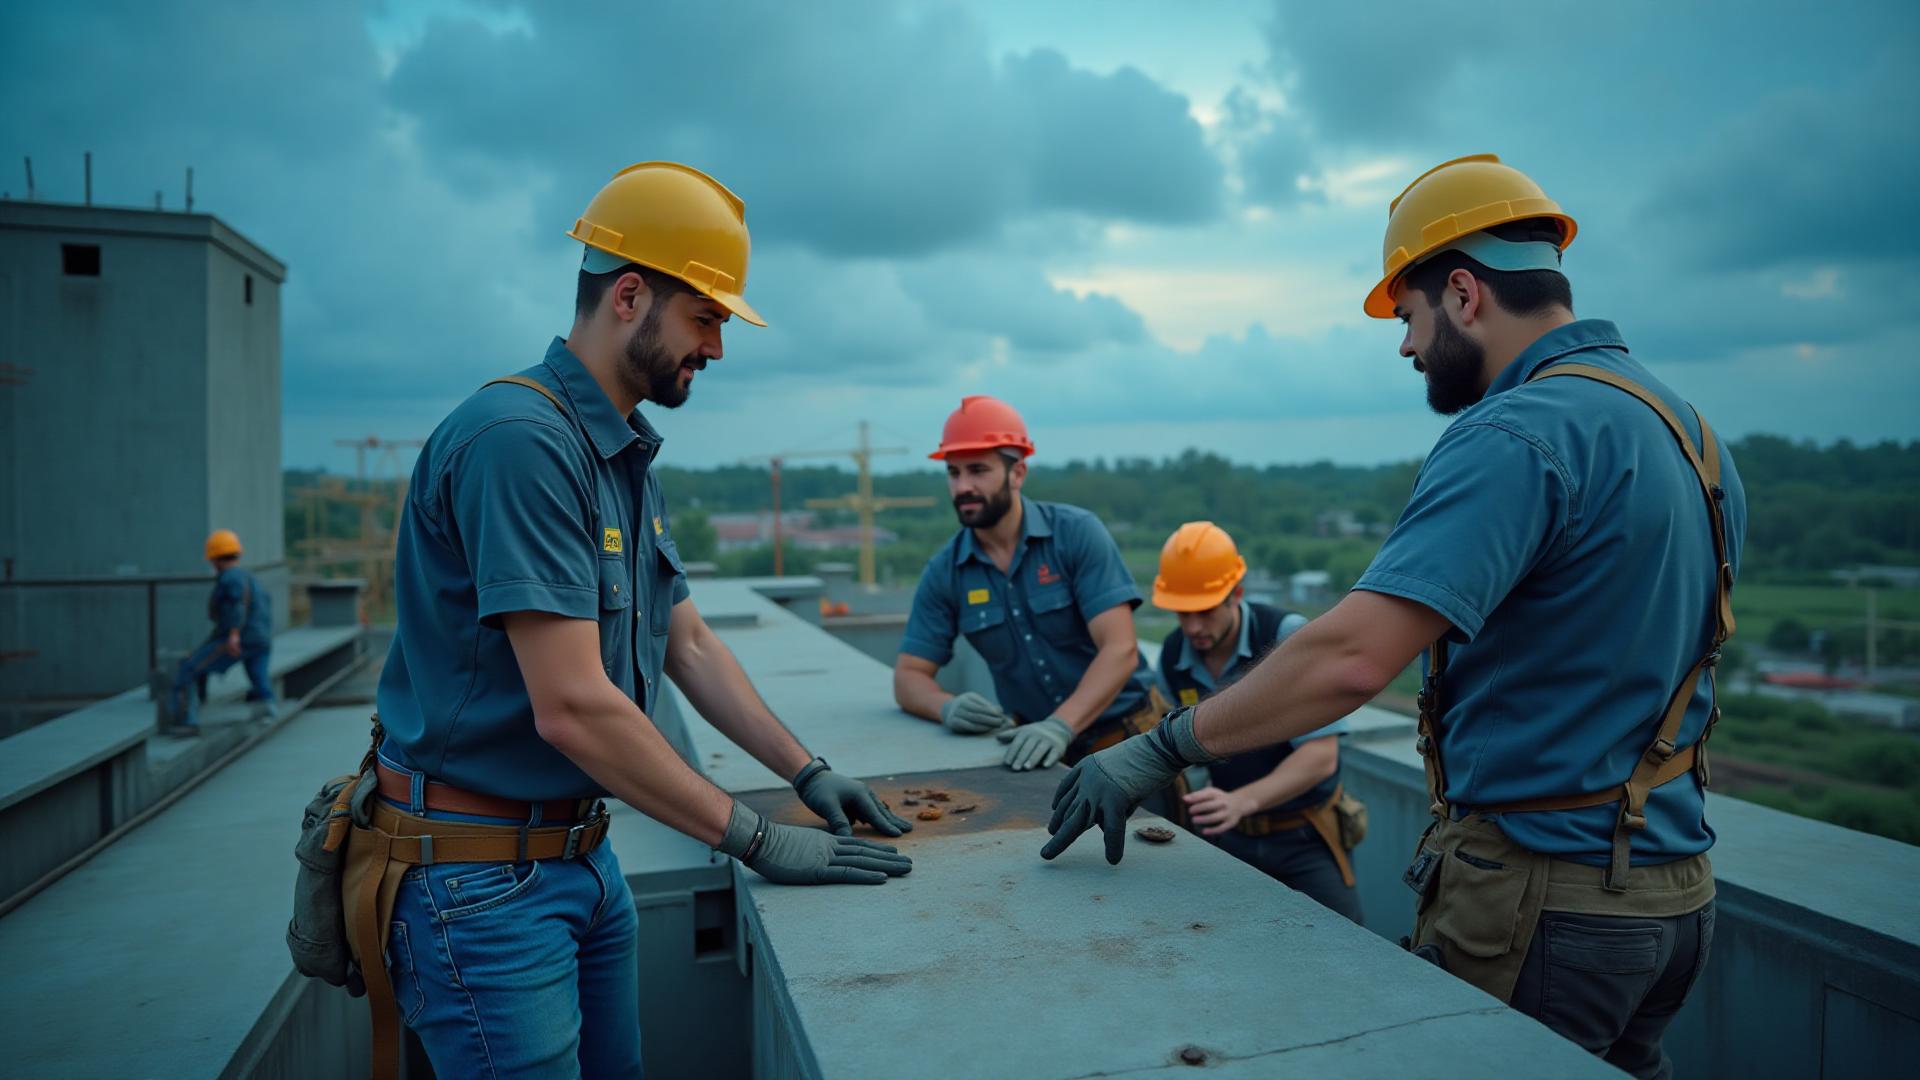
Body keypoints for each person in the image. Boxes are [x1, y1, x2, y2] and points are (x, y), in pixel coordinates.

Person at [1040, 154, 1741, 1079]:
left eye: (1408, 316)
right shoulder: (1690, 434)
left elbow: (1351, 660)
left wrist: (1158, 747)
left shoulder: (1515, 434)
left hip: (1545, 901)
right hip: (1675, 896)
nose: (1406, 347)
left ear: (1462, 292)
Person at [364, 162, 911, 1079]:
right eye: (706, 318)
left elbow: (688, 641)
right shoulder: (520, 444)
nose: (718, 349)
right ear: (629, 295)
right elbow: (572, 705)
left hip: (577, 855)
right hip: (482, 883)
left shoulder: (620, 457)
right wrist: (758, 838)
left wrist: (808, 774)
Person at [892, 396, 1175, 782]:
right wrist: (946, 707)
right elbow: (908, 676)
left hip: (1125, 741)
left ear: (1018, 472)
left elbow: (1120, 649)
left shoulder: (1075, 534)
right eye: (953, 472)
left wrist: (1060, 725)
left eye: (978, 470)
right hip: (1035, 753)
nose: (963, 486)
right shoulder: (946, 572)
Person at [1152, 521, 1362, 923]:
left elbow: (1320, 756)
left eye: (1205, 611)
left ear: (1238, 594)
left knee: (1347, 950)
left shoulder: (1284, 637)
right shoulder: (1172, 655)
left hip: (1304, 837)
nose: (1193, 627)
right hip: (1228, 838)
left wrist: (1240, 801)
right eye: (1183, 613)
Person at [164, 528, 272, 735]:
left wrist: (233, 635)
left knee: (189, 668)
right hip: (260, 638)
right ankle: (268, 712)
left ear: (213, 558)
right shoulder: (249, 576)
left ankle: (187, 721)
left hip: (238, 638)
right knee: (259, 677)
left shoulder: (229, 578)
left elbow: (236, 606)